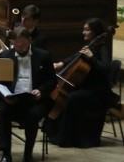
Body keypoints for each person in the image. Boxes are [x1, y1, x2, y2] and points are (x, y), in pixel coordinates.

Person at [46, 18, 117, 148]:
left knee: (73, 98)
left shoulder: (102, 49)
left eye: (87, 30)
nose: (83, 32)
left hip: (98, 91)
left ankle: (74, 139)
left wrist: (91, 58)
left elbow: (105, 69)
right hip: (85, 87)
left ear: (95, 32)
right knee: (61, 95)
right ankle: (55, 134)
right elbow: (75, 57)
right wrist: (61, 64)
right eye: (83, 29)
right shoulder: (90, 45)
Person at [0, 27, 55, 162]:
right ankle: (6, 154)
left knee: (32, 116)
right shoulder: (6, 56)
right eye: (16, 44)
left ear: (30, 40)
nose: (19, 47)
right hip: (13, 99)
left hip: (34, 100)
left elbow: (52, 80)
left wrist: (41, 91)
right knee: (2, 112)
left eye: (22, 44)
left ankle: (28, 154)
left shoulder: (43, 56)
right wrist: (5, 96)